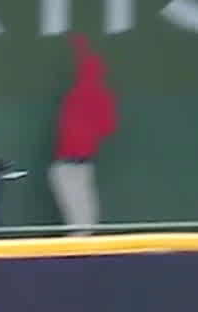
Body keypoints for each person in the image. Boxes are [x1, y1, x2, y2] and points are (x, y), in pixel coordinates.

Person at [50, 34, 117, 236]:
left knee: (85, 226)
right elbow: (108, 128)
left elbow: (108, 127)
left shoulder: (95, 95)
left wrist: (81, 46)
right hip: (68, 168)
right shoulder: (86, 94)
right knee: (82, 227)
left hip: (78, 167)